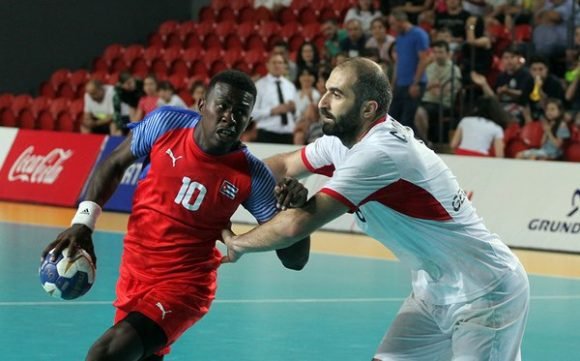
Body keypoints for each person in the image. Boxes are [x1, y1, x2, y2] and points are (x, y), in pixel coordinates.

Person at [221, 58, 530, 361]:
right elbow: (285, 164)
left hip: (485, 292)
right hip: (433, 291)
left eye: (338, 94)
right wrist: (220, 180)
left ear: (368, 109)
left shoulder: (379, 153)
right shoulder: (341, 141)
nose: (323, 102)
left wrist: (238, 244)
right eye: (327, 90)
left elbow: (295, 226)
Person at [41, 70, 310, 361]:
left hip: (184, 286)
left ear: (250, 119)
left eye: (241, 112)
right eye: (223, 107)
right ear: (202, 104)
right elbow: (115, 164)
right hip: (134, 273)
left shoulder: (252, 175)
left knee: (105, 354)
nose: (230, 118)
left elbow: (294, 260)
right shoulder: (166, 123)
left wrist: (294, 211)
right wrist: (83, 222)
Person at [252, 53, 299, 144]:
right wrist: (272, 111)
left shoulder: (290, 86)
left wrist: (294, 110)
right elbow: (252, 113)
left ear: (285, 66)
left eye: (280, 63)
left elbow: (296, 115)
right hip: (267, 134)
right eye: (274, 62)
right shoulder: (259, 85)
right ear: (267, 65)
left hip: (288, 135)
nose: (277, 65)